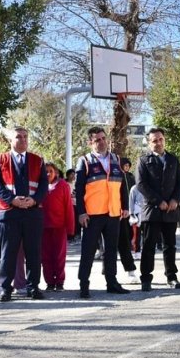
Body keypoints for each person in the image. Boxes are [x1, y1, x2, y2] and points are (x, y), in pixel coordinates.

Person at [0, 126, 48, 302]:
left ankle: (33, 287)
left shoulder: (38, 160)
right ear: (10, 140)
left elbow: (44, 185)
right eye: (18, 137)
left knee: (34, 252)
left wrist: (35, 200)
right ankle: (5, 288)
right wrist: (12, 199)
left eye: (25, 136)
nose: (22, 139)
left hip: (32, 213)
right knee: (8, 253)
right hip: (9, 213)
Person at [74, 126, 131, 298]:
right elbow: (79, 189)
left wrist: (125, 207)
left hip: (113, 212)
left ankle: (112, 282)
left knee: (111, 250)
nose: (101, 142)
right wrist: (81, 212)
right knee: (88, 250)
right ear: (90, 142)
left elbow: (123, 187)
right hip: (92, 214)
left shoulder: (116, 159)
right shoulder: (84, 161)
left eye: (103, 138)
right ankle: (84, 284)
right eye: (97, 140)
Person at [135, 127, 180, 291]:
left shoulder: (173, 159)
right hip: (152, 210)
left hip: (170, 210)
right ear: (149, 143)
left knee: (169, 246)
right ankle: (146, 279)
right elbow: (141, 185)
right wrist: (158, 201)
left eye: (160, 139)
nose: (158, 143)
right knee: (149, 246)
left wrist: (175, 200)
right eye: (154, 140)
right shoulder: (143, 160)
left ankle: (171, 277)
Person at [42, 162, 74, 291]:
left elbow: (69, 207)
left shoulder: (63, 185)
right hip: (43, 228)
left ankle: (60, 282)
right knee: (45, 256)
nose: (48, 173)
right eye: (46, 171)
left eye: (51, 171)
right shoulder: (39, 186)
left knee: (59, 256)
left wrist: (70, 227)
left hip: (60, 227)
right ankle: (49, 282)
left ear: (56, 172)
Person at [117, 157, 138, 282]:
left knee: (124, 242)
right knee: (104, 246)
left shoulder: (125, 176)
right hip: (100, 213)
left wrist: (126, 208)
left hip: (120, 213)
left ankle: (130, 271)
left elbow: (126, 193)